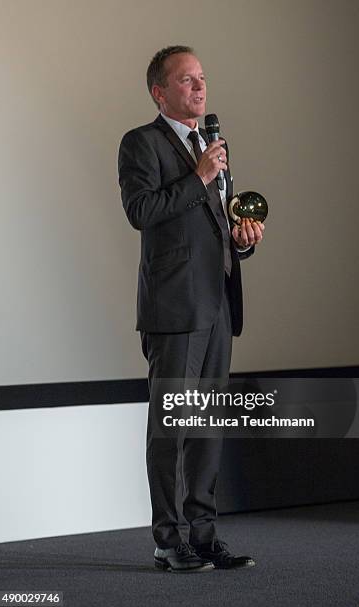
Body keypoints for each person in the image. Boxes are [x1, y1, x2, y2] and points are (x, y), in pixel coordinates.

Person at [118, 45, 264, 573]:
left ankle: (203, 536)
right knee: (172, 425)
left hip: (219, 303)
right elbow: (141, 211)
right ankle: (167, 539)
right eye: (186, 81)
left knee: (207, 427)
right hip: (175, 310)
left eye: (202, 78)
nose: (200, 88)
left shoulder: (213, 144)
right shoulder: (141, 143)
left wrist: (243, 240)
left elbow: (217, 226)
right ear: (160, 92)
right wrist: (198, 177)